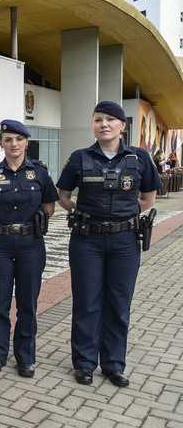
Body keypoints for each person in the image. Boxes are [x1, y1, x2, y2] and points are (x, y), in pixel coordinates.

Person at [56, 101, 161, 388]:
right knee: (87, 302)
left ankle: (114, 365)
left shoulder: (140, 159)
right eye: (98, 119)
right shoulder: (79, 158)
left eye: (110, 120)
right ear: (93, 125)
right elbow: (63, 196)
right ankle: (85, 363)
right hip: (87, 240)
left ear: (122, 126)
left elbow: (148, 199)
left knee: (118, 304)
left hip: (125, 241)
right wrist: (85, 215)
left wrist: (120, 220)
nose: (104, 124)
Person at [0, 120, 58, 378]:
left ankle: (25, 358)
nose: (14, 144)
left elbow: (50, 204)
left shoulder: (40, 172)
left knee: (27, 303)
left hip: (31, 245)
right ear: (1, 143)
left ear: (27, 142)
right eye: (8, 139)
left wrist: (41, 218)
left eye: (19, 139)